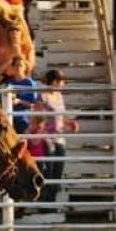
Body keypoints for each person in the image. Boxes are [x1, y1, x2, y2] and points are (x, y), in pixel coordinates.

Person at [39, 69, 79, 208]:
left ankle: (51, 200)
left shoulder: (59, 95)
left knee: (58, 170)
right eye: (62, 81)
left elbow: (60, 116)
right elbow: (40, 115)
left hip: (59, 136)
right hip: (47, 137)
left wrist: (69, 123)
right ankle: (44, 201)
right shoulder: (43, 96)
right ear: (55, 81)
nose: (63, 84)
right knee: (48, 169)